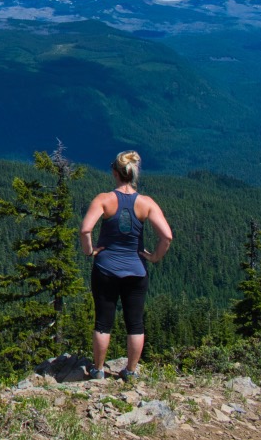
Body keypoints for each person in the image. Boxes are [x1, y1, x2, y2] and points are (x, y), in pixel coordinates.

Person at [79, 150, 172, 381]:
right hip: (136, 270)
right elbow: (167, 236)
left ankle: (98, 370)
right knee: (135, 323)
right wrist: (154, 257)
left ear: (115, 172)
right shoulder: (146, 203)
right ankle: (131, 371)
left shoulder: (103, 200)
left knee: (103, 322)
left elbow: (85, 230)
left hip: (105, 269)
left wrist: (89, 251)